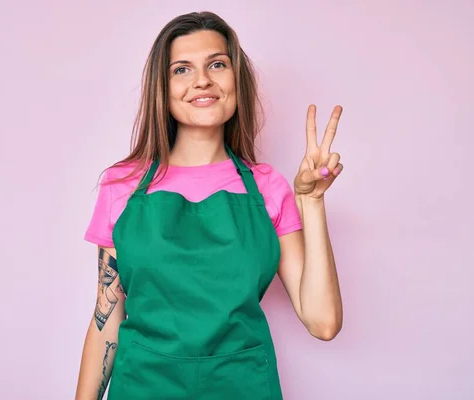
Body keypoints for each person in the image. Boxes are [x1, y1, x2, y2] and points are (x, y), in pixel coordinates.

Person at [75, 10, 344, 400]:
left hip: (244, 386)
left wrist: (311, 200)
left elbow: (323, 322)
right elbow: (106, 320)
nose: (202, 79)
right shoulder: (122, 186)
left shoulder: (269, 188)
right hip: (143, 388)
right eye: (181, 69)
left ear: (236, 80)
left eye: (217, 64)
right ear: (161, 89)